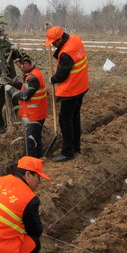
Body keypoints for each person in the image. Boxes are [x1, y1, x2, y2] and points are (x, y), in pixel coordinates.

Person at [45, 26, 89, 163]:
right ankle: (76, 147)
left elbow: (62, 74)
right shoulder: (75, 39)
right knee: (74, 118)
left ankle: (68, 152)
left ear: (61, 38)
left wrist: (52, 79)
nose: (52, 45)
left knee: (65, 120)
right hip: (82, 86)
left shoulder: (66, 54)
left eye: (54, 42)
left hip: (72, 89)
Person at [3, 56, 48, 157]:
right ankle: (38, 159)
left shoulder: (33, 78)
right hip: (37, 112)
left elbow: (24, 96)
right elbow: (25, 87)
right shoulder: (33, 73)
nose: (20, 69)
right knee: (36, 139)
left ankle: (29, 167)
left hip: (34, 115)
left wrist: (11, 90)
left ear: (27, 64)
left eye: (21, 67)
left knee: (30, 142)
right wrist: (12, 82)